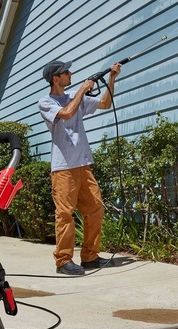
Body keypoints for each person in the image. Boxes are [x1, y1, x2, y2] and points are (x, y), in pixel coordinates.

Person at [38, 59, 121, 275]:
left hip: (83, 164)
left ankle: (90, 257)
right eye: (66, 72)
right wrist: (82, 90)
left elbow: (104, 104)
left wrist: (111, 79)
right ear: (56, 78)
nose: (70, 73)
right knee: (65, 214)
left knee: (95, 209)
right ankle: (63, 261)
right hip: (63, 167)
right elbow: (65, 114)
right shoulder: (46, 102)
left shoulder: (75, 96)